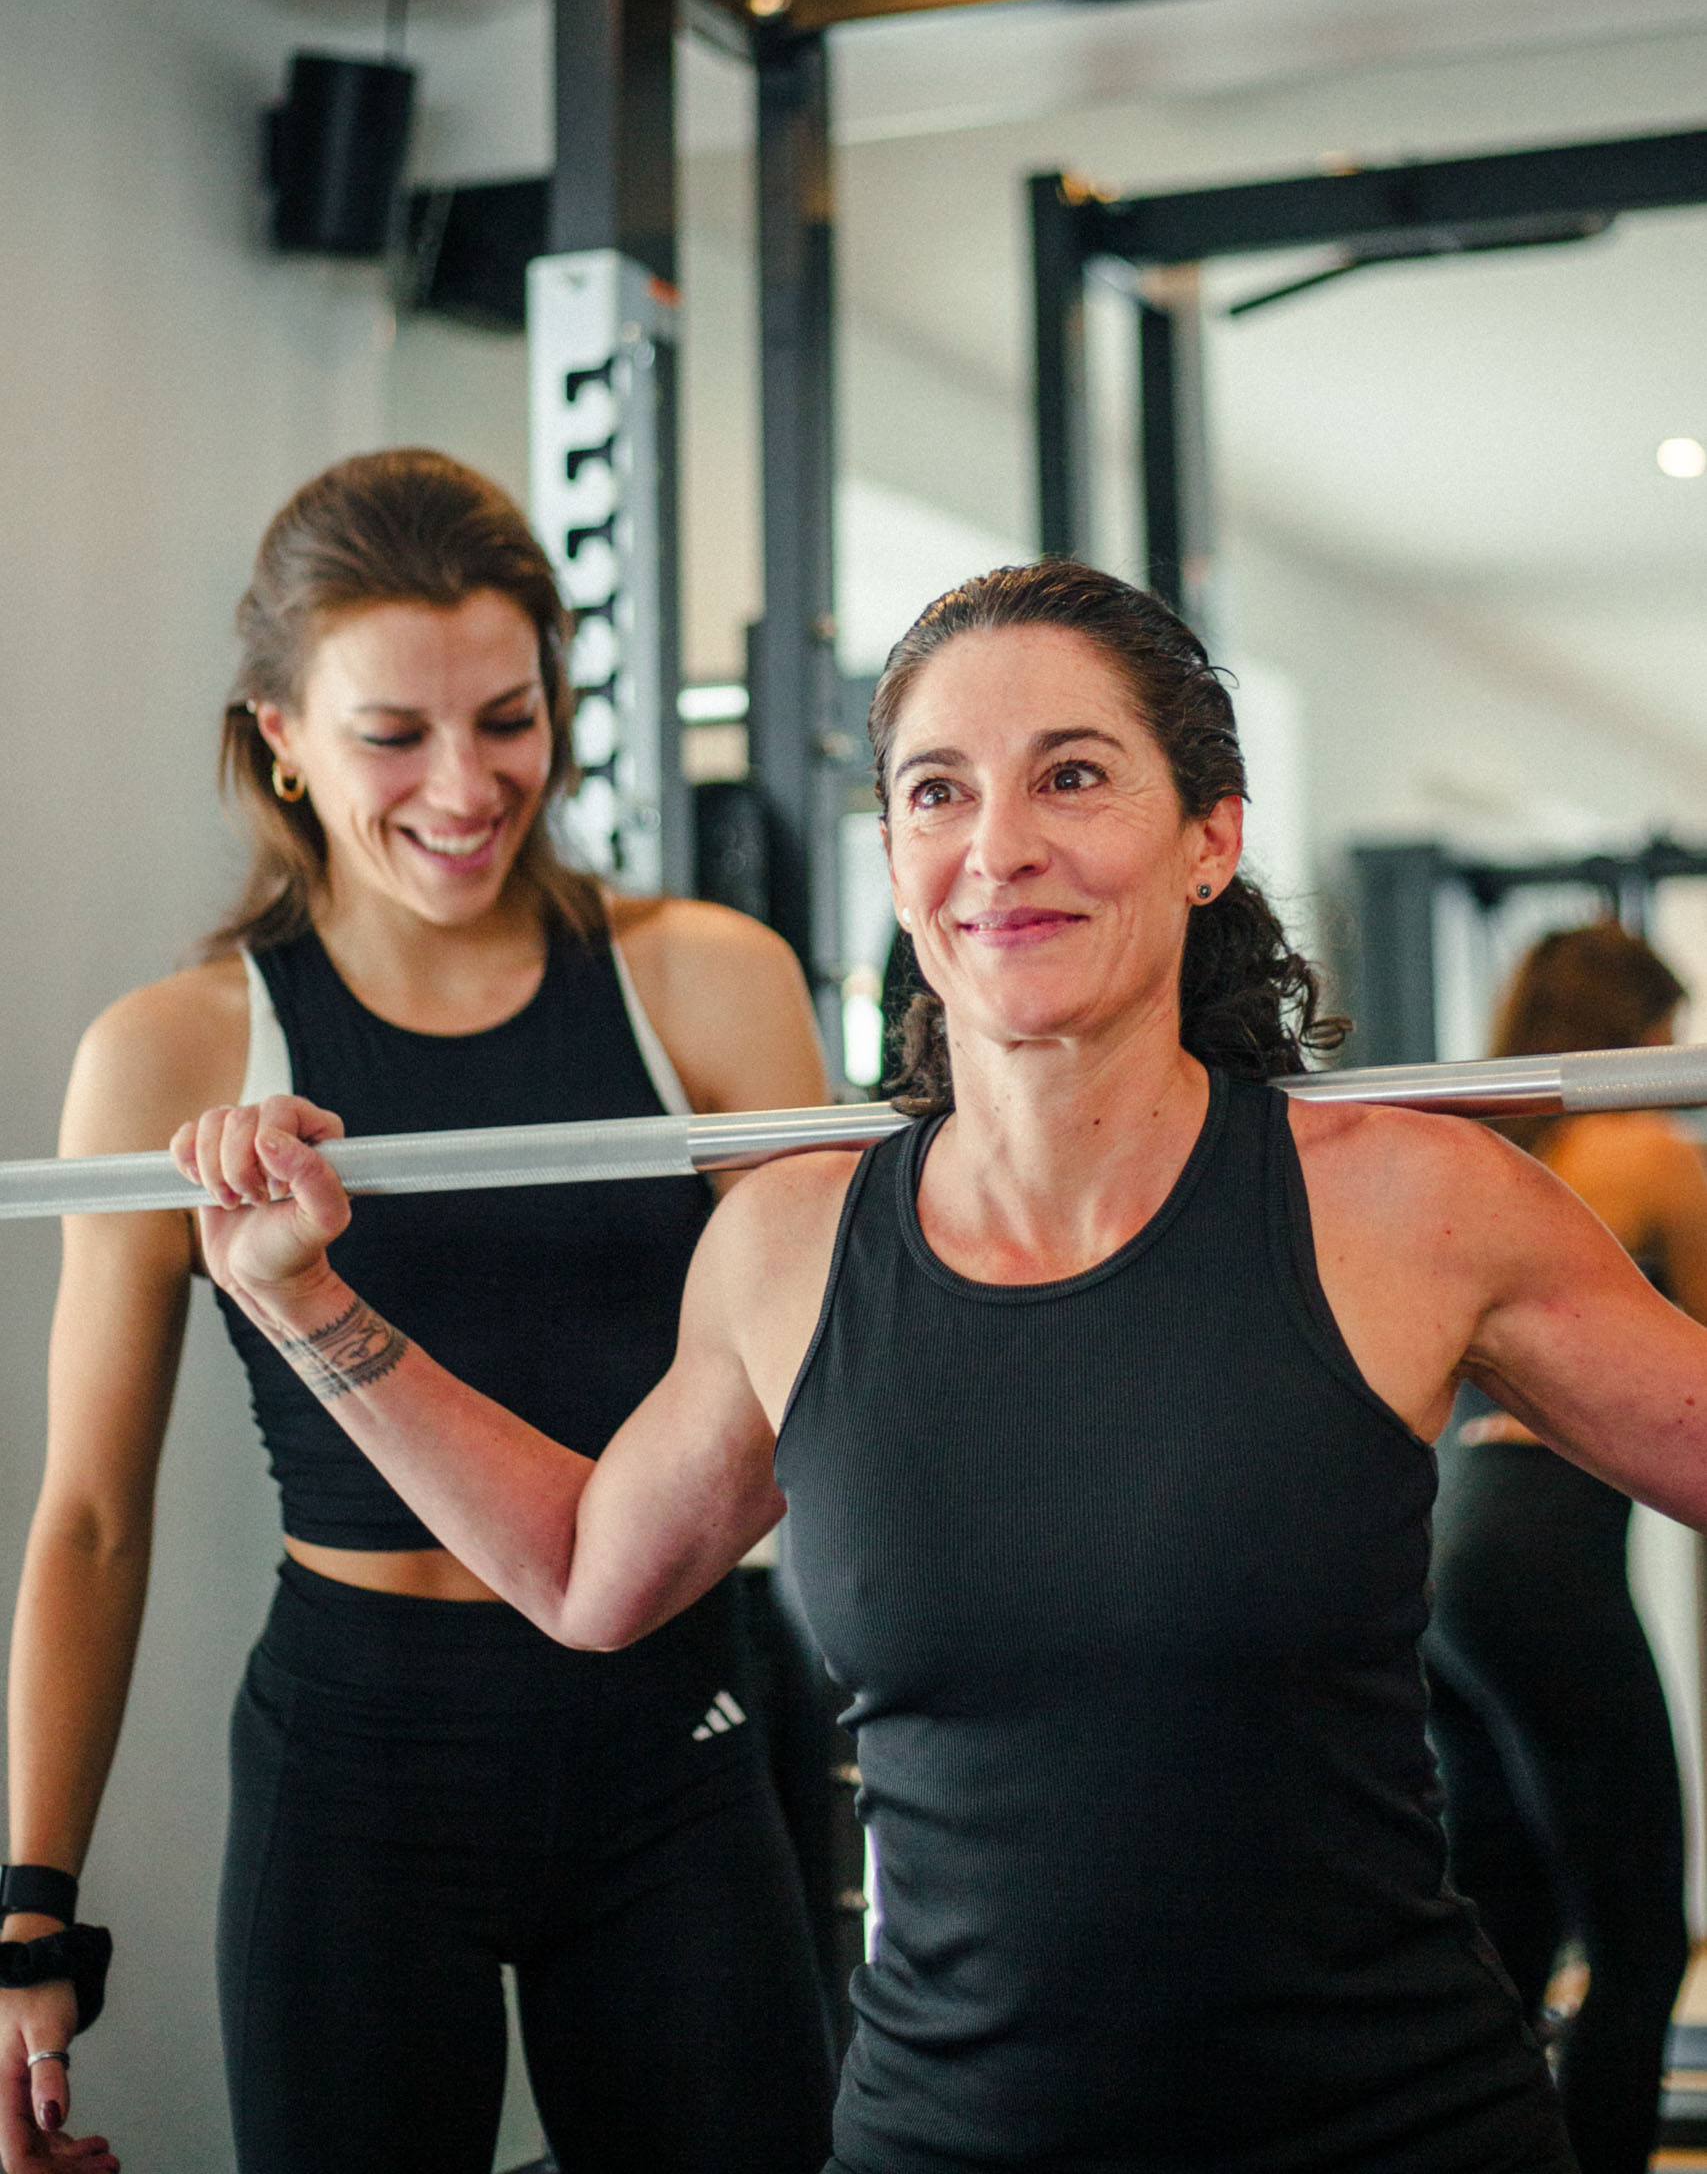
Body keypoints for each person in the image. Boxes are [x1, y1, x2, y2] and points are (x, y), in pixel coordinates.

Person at [174, 557, 1707, 2174]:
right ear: (896, 858)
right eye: (935, 791)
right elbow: (580, 1573)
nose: (999, 847)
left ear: (1210, 838)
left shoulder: (1414, 1208)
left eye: (1071, 776)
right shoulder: (788, 1251)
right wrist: (303, 1307)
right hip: (945, 2145)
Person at [1, 451, 836, 2174]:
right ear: (280, 738)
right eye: (394, 734)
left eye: (507, 719)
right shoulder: (170, 1054)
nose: (464, 787)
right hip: (359, 1758)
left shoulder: (709, 983)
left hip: (675, 1732)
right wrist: (30, 1923)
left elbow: (836, 1413)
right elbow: (87, 1521)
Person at [1424, 920, 1707, 2174]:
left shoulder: (1482, 1156)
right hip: (1544, 1552)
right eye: (1663, 1041)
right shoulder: (1645, 1145)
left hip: (1445, 1553)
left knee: (1511, 1921)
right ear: (1633, 1039)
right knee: (1642, 1935)